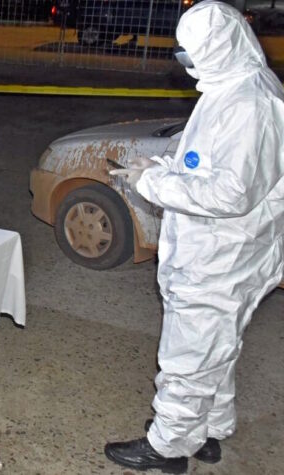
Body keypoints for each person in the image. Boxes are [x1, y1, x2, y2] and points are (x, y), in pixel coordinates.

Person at [105, 1, 284, 473]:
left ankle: (168, 446)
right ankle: (207, 430)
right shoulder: (232, 85)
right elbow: (204, 161)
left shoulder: (249, 104)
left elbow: (230, 192)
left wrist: (153, 184)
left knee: (188, 355)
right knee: (216, 347)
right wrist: (160, 165)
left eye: (193, 54)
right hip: (226, 251)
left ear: (219, 48)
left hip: (220, 256)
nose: (187, 66)